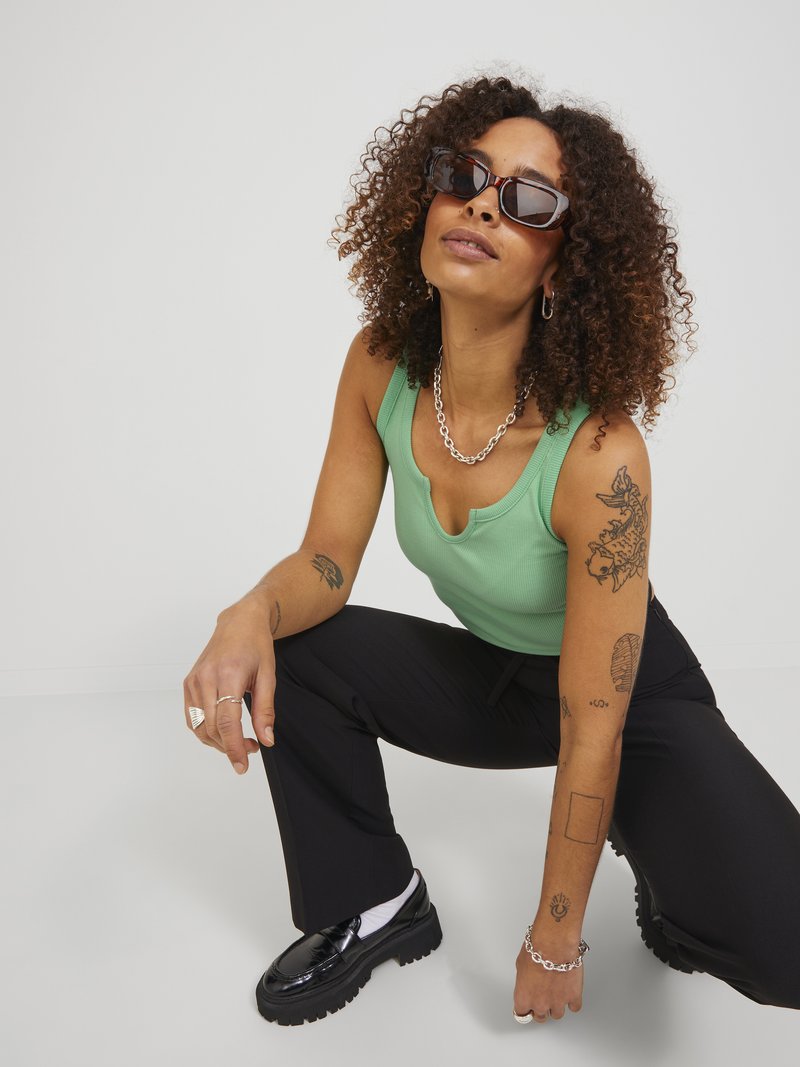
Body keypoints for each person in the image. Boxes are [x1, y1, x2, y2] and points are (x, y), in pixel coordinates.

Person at [182, 74, 800, 1026]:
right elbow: (327, 564)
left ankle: (669, 885)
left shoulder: (598, 454)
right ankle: (376, 901)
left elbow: (592, 725)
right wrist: (247, 612)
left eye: (528, 201)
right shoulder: (381, 365)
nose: (481, 205)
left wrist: (556, 933)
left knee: (788, 946)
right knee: (293, 647)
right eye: (465, 177)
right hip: (502, 677)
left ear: (561, 268)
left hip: (629, 697)